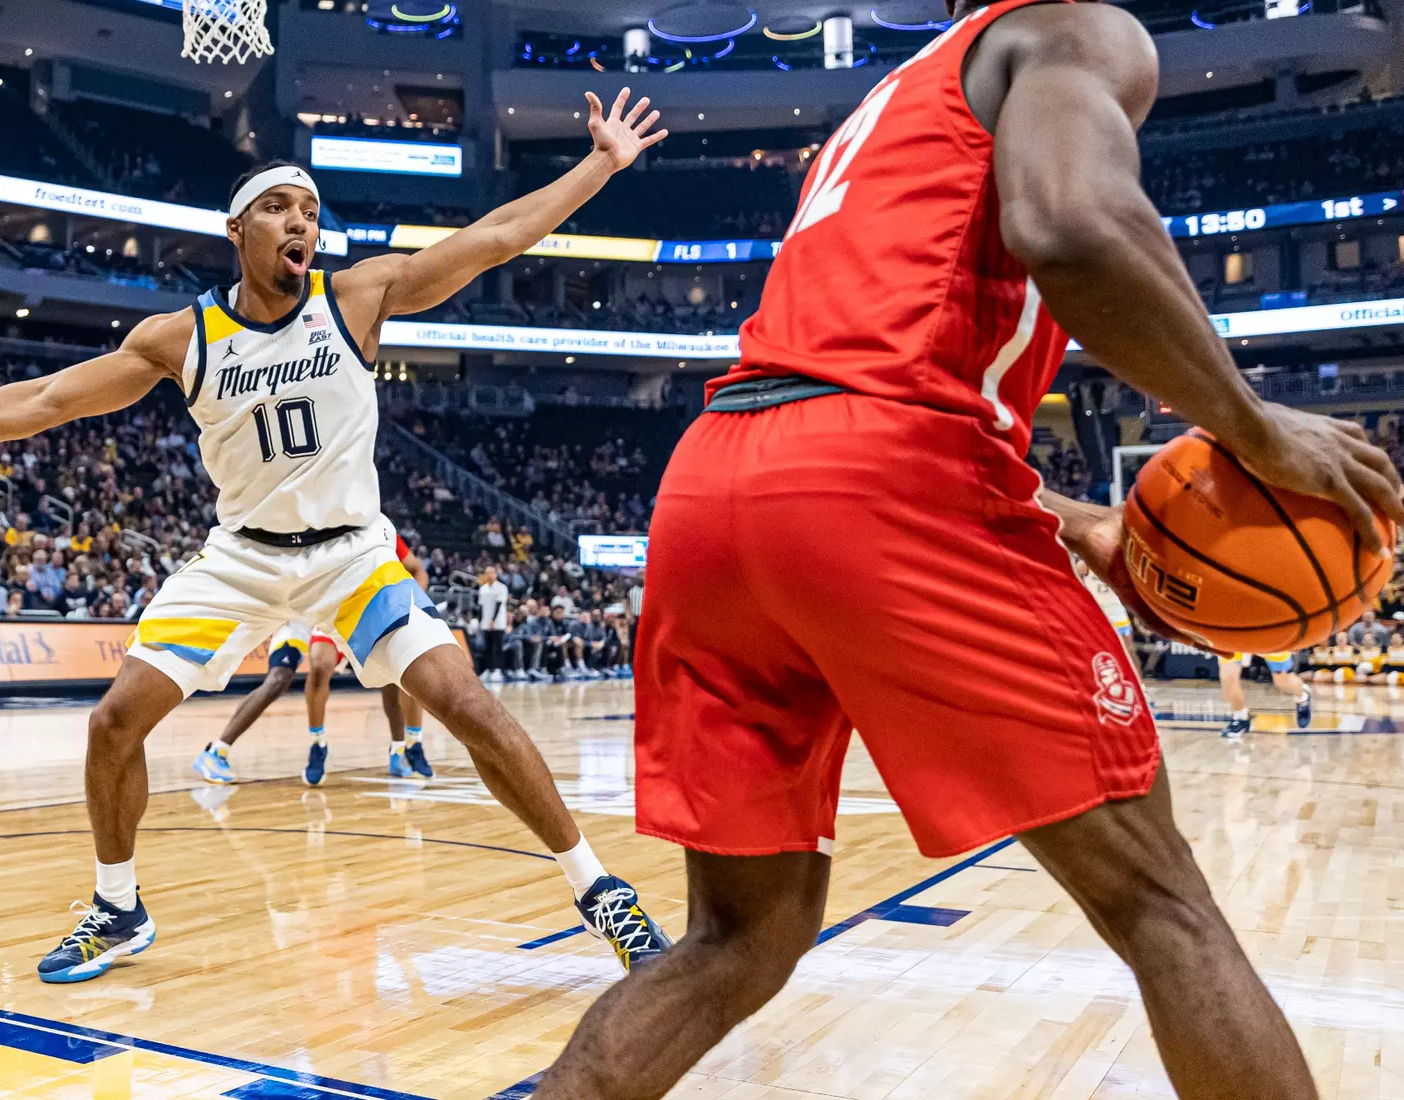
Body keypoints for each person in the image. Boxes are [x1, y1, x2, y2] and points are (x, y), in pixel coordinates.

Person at [529, 3, 1404, 1098]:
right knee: (1157, 899)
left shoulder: (890, 102)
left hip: (716, 481)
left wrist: (1081, 522)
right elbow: (1074, 229)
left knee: (735, 940)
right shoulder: (1078, 31)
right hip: (888, 485)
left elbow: (854, 377)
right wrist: (1252, 423)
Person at [0, 93, 674, 987]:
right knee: (113, 723)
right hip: (241, 558)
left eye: (314, 212)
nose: (305, 222)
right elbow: (44, 402)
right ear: (239, 228)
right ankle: (117, 905)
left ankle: (597, 889)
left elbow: (497, 236)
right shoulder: (182, 338)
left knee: (468, 704)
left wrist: (600, 164)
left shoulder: (357, 298)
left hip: (352, 555)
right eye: (283, 207)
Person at [194, 533, 436, 784]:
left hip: (346, 610)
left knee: (393, 671)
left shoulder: (371, 525)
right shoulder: (300, 521)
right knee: (281, 677)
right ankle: (221, 750)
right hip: (299, 613)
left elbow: (417, 570)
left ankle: (401, 748)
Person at [1218, 653, 1312, 736]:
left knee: (1282, 681)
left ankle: (1302, 697)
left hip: (1266, 635)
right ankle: (1240, 717)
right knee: (1227, 676)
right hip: (1236, 635)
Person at [478, 565, 509, 683]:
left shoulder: (502, 588)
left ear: (495, 574)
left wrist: (493, 620)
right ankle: (489, 669)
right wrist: (481, 620)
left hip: (498, 622)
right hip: (486, 622)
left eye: (491, 573)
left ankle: (498, 670)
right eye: (487, 573)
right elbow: (481, 606)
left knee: (498, 647)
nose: (489, 575)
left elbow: (499, 604)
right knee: (487, 647)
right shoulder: (483, 588)